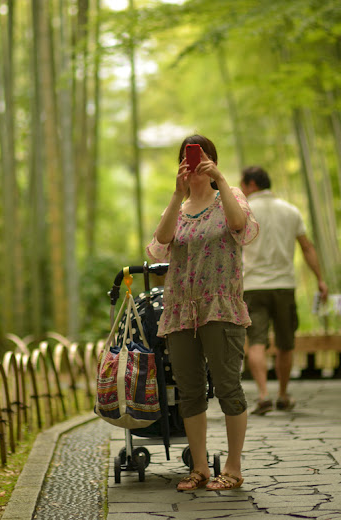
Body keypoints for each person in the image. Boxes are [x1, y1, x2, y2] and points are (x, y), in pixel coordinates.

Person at [146, 134, 259, 492]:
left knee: (227, 387)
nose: (194, 162)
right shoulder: (178, 209)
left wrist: (220, 180)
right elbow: (160, 243)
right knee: (189, 391)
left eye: (201, 156)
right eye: (187, 157)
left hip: (220, 307)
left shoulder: (229, 197)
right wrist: (177, 192)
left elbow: (240, 226)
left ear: (213, 160)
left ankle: (233, 468)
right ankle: (199, 469)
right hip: (180, 310)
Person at [240, 166, 329, 415]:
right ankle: (282, 394)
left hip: (254, 286)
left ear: (251, 184)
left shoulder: (244, 211)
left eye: (243, 185)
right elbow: (307, 247)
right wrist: (320, 279)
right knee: (285, 343)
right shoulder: (290, 210)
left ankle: (263, 395)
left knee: (256, 342)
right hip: (284, 285)